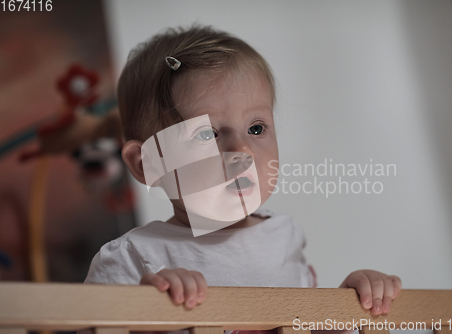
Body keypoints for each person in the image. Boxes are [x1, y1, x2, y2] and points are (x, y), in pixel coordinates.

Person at [84, 25, 402, 332]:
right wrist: (142, 318)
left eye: (256, 128)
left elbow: (300, 329)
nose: (242, 150)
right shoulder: (135, 256)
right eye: (206, 134)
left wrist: (348, 307)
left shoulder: (282, 237)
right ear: (148, 164)